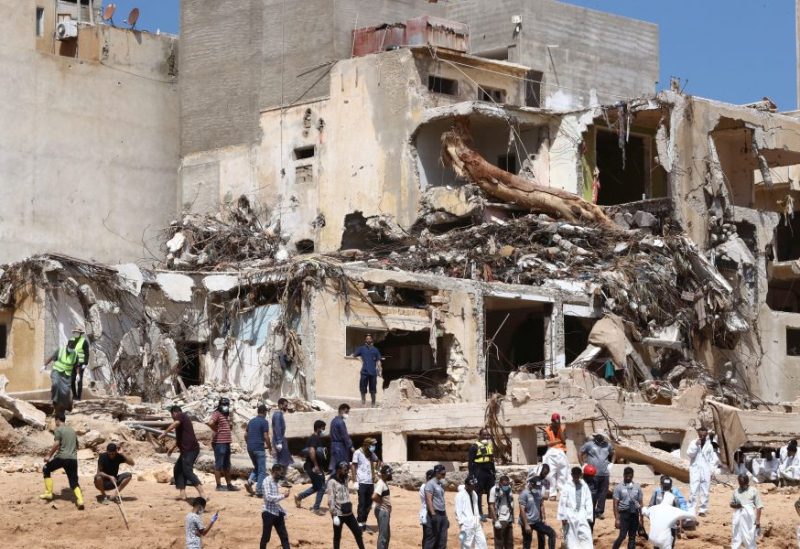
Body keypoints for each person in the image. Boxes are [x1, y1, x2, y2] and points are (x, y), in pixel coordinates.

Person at [160, 405, 206, 500]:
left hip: (190, 449)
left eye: (172, 415)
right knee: (178, 469)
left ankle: (202, 493)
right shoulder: (181, 422)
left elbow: (176, 423)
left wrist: (165, 432)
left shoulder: (181, 416)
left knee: (187, 471)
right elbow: (180, 437)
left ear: (174, 413)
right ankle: (182, 494)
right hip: (186, 450)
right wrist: (172, 447)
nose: (172, 417)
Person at [40, 413, 84, 509]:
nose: (55, 423)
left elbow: (56, 443)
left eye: (55, 421)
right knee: (73, 482)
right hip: (73, 459)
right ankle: (80, 500)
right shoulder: (72, 431)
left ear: (58, 420)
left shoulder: (59, 429)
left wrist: (49, 455)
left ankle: (48, 493)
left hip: (62, 458)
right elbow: (77, 446)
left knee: (46, 468)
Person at [643, 481, 695, 549]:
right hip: (665, 538)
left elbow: (644, 510)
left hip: (654, 537)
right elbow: (690, 515)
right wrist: (692, 507)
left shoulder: (653, 508)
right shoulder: (673, 509)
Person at [327, 461, 366, 549]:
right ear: (338, 470)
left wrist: (355, 479)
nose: (346, 472)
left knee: (358, 533)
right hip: (338, 514)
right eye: (344, 470)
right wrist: (334, 514)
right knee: (337, 536)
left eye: (347, 470)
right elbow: (331, 499)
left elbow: (354, 472)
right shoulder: (331, 482)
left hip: (349, 513)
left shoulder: (345, 478)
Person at [579, 432, 614, 519]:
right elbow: (580, 453)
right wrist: (583, 465)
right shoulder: (589, 445)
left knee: (603, 494)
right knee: (592, 493)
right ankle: (590, 511)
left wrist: (611, 463)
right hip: (592, 474)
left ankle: (599, 512)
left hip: (605, 474)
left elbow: (614, 453)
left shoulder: (608, 445)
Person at [557, 466, 594, 549]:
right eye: (575, 475)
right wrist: (563, 516)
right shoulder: (567, 486)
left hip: (582, 513)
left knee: (585, 534)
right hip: (570, 513)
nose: (576, 477)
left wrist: (589, 515)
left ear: (580, 475)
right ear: (572, 475)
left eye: (578, 475)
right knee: (571, 536)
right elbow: (563, 502)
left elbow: (588, 501)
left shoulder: (584, 486)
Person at [296, 419, 328, 513]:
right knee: (321, 487)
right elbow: (311, 451)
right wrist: (316, 466)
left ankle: (299, 496)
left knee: (317, 486)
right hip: (313, 466)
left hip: (313, 466)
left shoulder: (316, 438)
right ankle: (315, 508)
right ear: (318, 428)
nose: (324, 430)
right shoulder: (314, 438)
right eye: (323, 428)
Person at [207, 397, 239, 491]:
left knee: (227, 465)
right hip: (219, 443)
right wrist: (216, 429)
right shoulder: (217, 413)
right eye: (224, 405)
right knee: (219, 465)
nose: (225, 407)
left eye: (227, 405)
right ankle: (218, 485)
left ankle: (229, 485)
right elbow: (210, 422)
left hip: (226, 442)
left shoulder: (226, 415)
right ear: (220, 405)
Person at [686, 426, 717, 516]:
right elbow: (689, 454)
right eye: (701, 433)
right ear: (698, 434)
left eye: (704, 433)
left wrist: (712, 471)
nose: (702, 435)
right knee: (693, 489)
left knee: (705, 490)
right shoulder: (693, 443)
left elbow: (712, 460)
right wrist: (696, 445)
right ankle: (691, 509)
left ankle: (702, 510)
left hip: (706, 470)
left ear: (706, 434)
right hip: (695, 469)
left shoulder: (709, 445)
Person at [352, 436, 381, 530]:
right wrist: (355, 481)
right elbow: (353, 466)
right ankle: (360, 524)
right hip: (361, 482)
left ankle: (363, 522)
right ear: (367, 445)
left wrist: (377, 469)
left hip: (370, 482)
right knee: (362, 503)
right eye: (372, 445)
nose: (374, 447)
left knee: (369, 504)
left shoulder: (371, 454)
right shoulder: (357, 453)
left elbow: (378, 461)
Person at [519, 476, 556, 549]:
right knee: (527, 542)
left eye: (538, 486)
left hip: (537, 521)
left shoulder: (538, 492)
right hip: (527, 521)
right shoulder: (524, 494)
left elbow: (541, 504)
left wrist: (543, 518)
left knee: (551, 533)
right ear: (531, 484)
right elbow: (522, 510)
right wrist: (526, 525)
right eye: (535, 486)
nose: (537, 488)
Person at [611, 466, 644, 549]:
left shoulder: (637, 487)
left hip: (635, 514)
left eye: (630, 475)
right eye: (626, 475)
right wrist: (617, 519)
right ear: (623, 475)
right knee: (622, 536)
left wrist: (641, 518)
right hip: (624, 514)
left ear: (633, 475)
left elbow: (641, 503)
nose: (628, 477)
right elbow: (615, 504)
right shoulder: (618, 487)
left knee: (632, 537)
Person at [260, 464, 291, 549]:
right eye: (279, 473)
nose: (280, 475)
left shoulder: (275, 482)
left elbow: (275, 495)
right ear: (274, 471)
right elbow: (268, 497)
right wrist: (283, 496)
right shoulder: (267, 481)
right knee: (266, 537)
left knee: (284, 536)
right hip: (268, 512)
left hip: (277, 512)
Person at [468, 427, 496, 519]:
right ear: (479, 436)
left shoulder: (489, 446)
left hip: (488, 472)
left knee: (491, 492)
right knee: (478, 493)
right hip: (478, 471)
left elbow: (491, 460)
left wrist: (494, 472)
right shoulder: (474, 447)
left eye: (488, 435)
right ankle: (479, 512)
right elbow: (470, 462)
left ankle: (491, 513)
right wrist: (471, 475)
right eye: (484, 435)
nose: (486, 436)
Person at [44, 339, 78, 415]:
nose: (71, 349)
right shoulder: (60, 350)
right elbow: (52, 357)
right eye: (70, 347)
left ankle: (64, 408)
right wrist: (44, 365)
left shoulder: (75, 354)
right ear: (67, 346)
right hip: (57, 371)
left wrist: (78, 374)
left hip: (67, 375)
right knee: (55, 384)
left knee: (66, 392)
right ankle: (54, 402)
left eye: (73, 348)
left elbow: (77, 365)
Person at [245, 404, 273, 497]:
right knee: (262, 470)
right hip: (259, 448)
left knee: (257, 467)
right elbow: (266, 436)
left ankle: (249, 482)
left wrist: (249, 443)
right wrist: (270, 448)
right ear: (265, 412)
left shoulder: (251, 421)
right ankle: (259, 491)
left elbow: (245, 435)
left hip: (250, 448)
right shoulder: (264, 422)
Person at [730, 473, 763, 549]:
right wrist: (736, 505)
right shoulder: (736, 491)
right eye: (740, 483)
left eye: (743, 484)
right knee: (736, 535)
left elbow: (759, 506)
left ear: (747, 482)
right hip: (738, 516)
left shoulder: (753, 491)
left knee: (749, 537)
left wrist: (757, 520)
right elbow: (731, 504)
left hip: (749, 517)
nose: (741, 485)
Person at [351, 333, 383, 407]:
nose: (368, 340)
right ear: (365, 340)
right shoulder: (361, 349)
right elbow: (354, 355)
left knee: (373, 389)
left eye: (370, 338)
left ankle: (373, 403)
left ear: (372, 340)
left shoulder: (375, 350)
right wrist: (359, 358)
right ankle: (363, 402)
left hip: (373, 373)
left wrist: (380, 370)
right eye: (367, 338)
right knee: (363, 388)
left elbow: (378, 360)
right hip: (364, 372)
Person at [456, 475, 488, 549]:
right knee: (466, 545)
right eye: (472, 486)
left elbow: (475, 508)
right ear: (467, 485)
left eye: (475, 486)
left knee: (482, 543)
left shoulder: (474, 494)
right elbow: (458, 511)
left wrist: (479, 518)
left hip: (476, 522)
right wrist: (462, 524)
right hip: (466, 524)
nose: (474, 488)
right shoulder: (460, 495)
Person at [542, 413, 569, 498]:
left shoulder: (563, 428)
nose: (556, 423)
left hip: (561, 452)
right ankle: (552, 493)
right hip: (551, 452)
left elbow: (564, 441)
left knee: (563, 473)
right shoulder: (546, 430)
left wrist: (559, 428)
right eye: (555, 422)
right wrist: (558, 441)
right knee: (550, 474)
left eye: (558, 422)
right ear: (552, 421)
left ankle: (563, 492)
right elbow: (548, 444)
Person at [424, 464, 450, 549]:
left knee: (442, 539)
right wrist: (433, 514)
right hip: (435, 514)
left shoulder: (440, 484)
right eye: (442, 474)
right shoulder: (430, 484)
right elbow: (429, 500)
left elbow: (442, 501)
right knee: (432, 539)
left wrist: (446, 517)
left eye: (444, 473)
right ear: (437, 473)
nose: (444, 475)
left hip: (442, 514)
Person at [488, 475, 514, 549]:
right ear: (500, 483)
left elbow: (510, 502)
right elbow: (491, 506)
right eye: (504, 485)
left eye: (507, 484)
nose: (506, 486)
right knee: (499, 542)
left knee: (509, 542)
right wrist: (495, 520)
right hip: (500, 519)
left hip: (508, 518)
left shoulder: (509, 488)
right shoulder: (494, 490)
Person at [372, 464, 393, 549]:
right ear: (384, 475)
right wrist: (382, 503)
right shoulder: (381, 483)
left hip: (384, 511)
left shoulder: (383, 483)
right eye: (389, 474)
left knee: (386, 534)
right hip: (382, 511)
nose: (390, 475)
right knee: (383, 536)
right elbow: (374, 497)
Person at [329, 403, 354, 473]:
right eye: (346, 412)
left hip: (333, 446)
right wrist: (351, 447)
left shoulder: (333, 421)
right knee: (342, 466)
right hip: (340, 447)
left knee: (334, 465)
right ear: (341, 411)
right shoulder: (341, 422)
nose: (347, 414)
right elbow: (345, 435)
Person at [68, 326, 90, 401]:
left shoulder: (84, 341)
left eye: (77, 332)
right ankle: (74, 395)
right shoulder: (71, 340)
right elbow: (68, 350)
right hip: (72, 363)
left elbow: (87, 353)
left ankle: (79, 397)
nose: (76, 333)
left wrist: (85, 363)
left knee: (79, 380)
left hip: (81, 363)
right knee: (72, 380)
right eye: (75, 332)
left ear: (80, 333)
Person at [272, 398, 293, 467]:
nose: (286, 408)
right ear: (280, 405)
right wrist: (279, 442)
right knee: (278, 461)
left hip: (280, 440)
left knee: (282, 460)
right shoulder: (278, 415)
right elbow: (277, 428)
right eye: (285, 405)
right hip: (278, 441)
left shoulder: (279, 414)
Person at [420, 469, 435, 546]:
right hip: (427, 514)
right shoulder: (425, 487)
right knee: (428, 537)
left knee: (428, 537)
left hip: (428, 513)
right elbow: (430, 501)